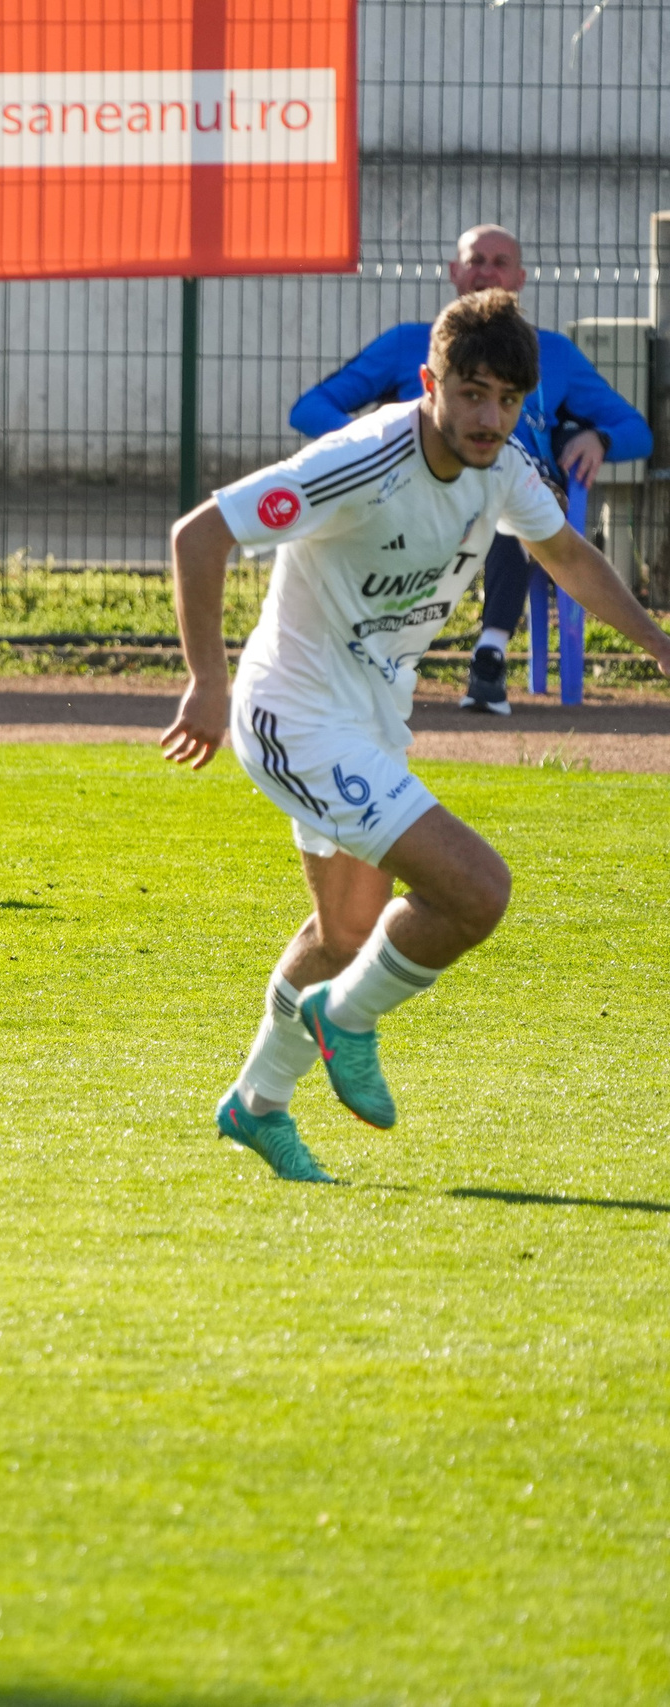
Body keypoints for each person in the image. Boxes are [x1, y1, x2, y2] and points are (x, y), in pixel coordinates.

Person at [163, 291, 670, 1184]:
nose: (489, 417)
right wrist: (207, 680)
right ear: (431, 381)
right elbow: (200, 534)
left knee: (347, 930)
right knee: (477, 890)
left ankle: (255, 1103)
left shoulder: (507, 468)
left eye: (509, 400)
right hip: (295, 715)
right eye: (472, 393)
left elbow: (569, 558)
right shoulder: (359, 460)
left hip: (368, 716)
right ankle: (344, 1021)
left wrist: (659, 642)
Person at [287, 224, 653, 715]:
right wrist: (376, 446)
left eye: (500, 262)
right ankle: (353, 665)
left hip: (515, 498)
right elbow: (310, 408)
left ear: (520, 277)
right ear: (454, 272)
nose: (487, 271)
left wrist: (598, 437)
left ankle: (490, 655)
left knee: (505, 497)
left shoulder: (554, 355)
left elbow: (637, 430)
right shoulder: (407, 345)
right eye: (476, 260)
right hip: (412, 498)